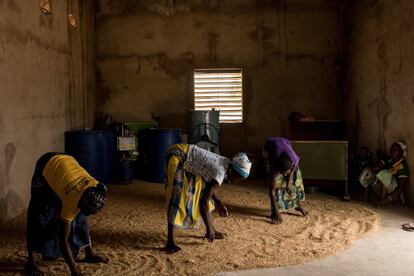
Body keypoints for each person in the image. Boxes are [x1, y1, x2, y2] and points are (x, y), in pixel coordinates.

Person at [24, 153, 109, 276]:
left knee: (81, 215)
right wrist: (75, 271)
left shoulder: (96, 186)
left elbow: (84, 210)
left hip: (67, 160)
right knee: (39, 213)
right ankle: (30, 261)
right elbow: (63, 239)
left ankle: (89, 253)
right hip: (46, 164)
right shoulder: (71, 201)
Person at [165, 144, 252, 253]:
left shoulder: (226, 163)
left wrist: (218, 202)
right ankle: (170, 242)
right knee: (177, 196)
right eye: (238, 179)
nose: (237, 182)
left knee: (204, 193)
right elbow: (203, 203)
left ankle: (212, 230)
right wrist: (208, 227)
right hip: (178, 155)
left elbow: (208, 189)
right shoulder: (220, 173)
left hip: (188, 161)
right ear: (233, 171)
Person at [263, 137, 308, 224]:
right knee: (278, 182)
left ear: (291, 166)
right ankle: (274, 210)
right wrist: (276, 211)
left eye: (286, 173)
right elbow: (271, 190)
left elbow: (293, 170)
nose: (284, 175)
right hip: (268, 147)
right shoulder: (274, 166)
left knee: (297, 177)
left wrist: (288, 184)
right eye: (282, 173)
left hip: (285, 142)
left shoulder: (294, 159)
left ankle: (297, 204)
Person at [359, 141, 409, 207]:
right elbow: (379, 165)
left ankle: (382, 200)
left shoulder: (402, 166)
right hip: (383, 185)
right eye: (392, 148)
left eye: (396, 149)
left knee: (384, 173)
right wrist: (375, 167)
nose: (393, 150)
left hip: (393, 192)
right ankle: (367, 197)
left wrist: (387, 200)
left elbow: (401, 187)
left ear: (401, 152)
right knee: (367, 171)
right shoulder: (390, 159)